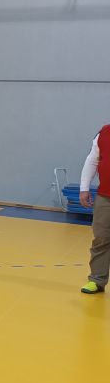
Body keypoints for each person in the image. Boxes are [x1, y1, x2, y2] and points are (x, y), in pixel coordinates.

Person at [80, 125, 110, 294]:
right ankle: (97, 280)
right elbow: (92, 160)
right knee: (101, 238)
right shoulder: (104, 132)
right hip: (105, 196)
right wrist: (84, 188)